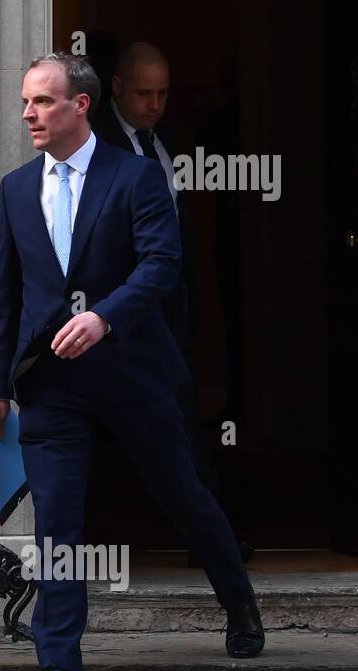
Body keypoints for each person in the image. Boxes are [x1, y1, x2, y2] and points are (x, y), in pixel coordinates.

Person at [0, 52, 263, 671]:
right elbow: (8, 294)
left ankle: (240, 601)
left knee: (184, 496)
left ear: (81, 105)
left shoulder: (135, 177)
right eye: (25, 102)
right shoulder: (16, 188)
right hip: (51, 382)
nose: (28, 114)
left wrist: (104, 318)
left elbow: (163, 266)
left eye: (43, 102)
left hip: (134, 372)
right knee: (57, 525)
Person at [93, 41, 254, 568]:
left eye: (162, 93)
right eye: (143, 93)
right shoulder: (96, 143)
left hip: (168, 314)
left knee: (184, 424)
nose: (153, 104)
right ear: (115, 86)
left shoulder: (166, 141)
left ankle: (211, 543)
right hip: (115, 317)